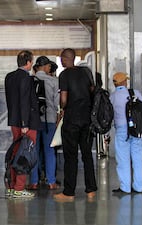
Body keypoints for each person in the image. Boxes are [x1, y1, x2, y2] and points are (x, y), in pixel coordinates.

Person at [53, 48, 97, 202]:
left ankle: (69, 193)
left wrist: (62, 109)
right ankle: (91, 190)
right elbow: (92, 91)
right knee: (87, 156)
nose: (61, 61)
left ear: (66, 59)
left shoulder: (64, 75)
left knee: (70, 157)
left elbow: (64, 99)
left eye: (61, 59)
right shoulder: (86, 72)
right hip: (87, 120)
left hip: (72, 120)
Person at [4, 50, 41, 198]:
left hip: (14, 121)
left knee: (15, 152)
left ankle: (12, 187)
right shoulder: (26, 77)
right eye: (31, 61)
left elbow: (11, 101)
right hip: (26, 123)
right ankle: (19, 188)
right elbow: (25, 101)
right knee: (25, 154)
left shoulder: (9, 77)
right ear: (28, 63)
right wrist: (25, 123)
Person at [110, 72, 142, 194]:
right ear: (124, 82)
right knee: (137, 157)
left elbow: (109, 114)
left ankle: (125, 187)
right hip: (136, 129)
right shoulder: (135, 93)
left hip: (121, 131)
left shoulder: (113, 97)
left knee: (123, 159)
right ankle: (138, 186)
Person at [28, 56, 60, 190]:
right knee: (49, 150)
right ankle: (51, 181)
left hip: (33, 121)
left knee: (34, 151)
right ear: (46, 66)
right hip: (50, 120)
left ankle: (34, 182)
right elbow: (57, 102)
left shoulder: (30, 80)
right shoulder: (54, 81)